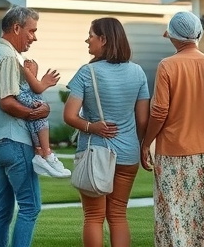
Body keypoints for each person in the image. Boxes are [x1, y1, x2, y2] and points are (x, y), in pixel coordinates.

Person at [140, 11, 204, 247]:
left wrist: (146, 142)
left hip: (172, 152)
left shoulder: (167, 66)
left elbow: (159, 112)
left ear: (173, 37)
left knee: (173, 214)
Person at [64, 17, 149, 247]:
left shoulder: (87, 72)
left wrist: (92, 127)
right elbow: (143, 120)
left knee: (93, 217)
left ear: (103, 39)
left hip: (97, 154)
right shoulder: (138, 73)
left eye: (90, 35)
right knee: (118, 215)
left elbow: (69, 116)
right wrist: (143, 147)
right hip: (128, 154)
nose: (87, 40)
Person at [0, 5, 51, 247]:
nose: (34, 37)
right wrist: (36, 113)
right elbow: (7, 102)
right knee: (31, 207)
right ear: (16, 28)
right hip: (14, 140)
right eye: (31, 31)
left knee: (2, 212)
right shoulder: (7, 57)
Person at [16, 54, 71, 178]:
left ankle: (42, 154)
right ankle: (46, 154)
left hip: (35, 116)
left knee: (42, 124)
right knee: (40, 123)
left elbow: (36, 89)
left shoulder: (29, 84)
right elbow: (29, 92)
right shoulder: (22, 83)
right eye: (29, 63)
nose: (31, 64)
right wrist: (42, 86)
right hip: (31, 113)